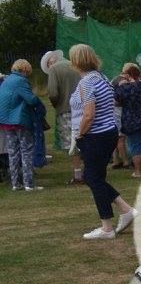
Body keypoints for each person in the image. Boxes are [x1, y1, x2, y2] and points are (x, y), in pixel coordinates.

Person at [69, 44, 136, 239]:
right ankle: (125, 209)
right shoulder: (102, 78)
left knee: (93, 178)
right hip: (107, 133)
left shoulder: (87, 83)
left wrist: (80, 134)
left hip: (94, 135)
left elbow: (89, 113)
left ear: (76, 61)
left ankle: (107, 226)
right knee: (94, 177)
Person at [0, 59, 47, 191]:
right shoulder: (21, 81)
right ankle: (29, 183)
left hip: (6, 121)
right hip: (19, 120)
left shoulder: (7, 80)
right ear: (25, 70)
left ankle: (15, 183)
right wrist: (39, 102)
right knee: (26, 151)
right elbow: (31, 100)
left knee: (12, 152)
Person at [43, 49, 84, 185]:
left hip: (66, 110)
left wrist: (56, 105)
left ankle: (78, 174)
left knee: (71, 143)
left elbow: (53, 92)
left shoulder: (54, 70)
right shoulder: (76, 64)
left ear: (50, 62)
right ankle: (92, 171)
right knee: (86, 139)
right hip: (85, 108)